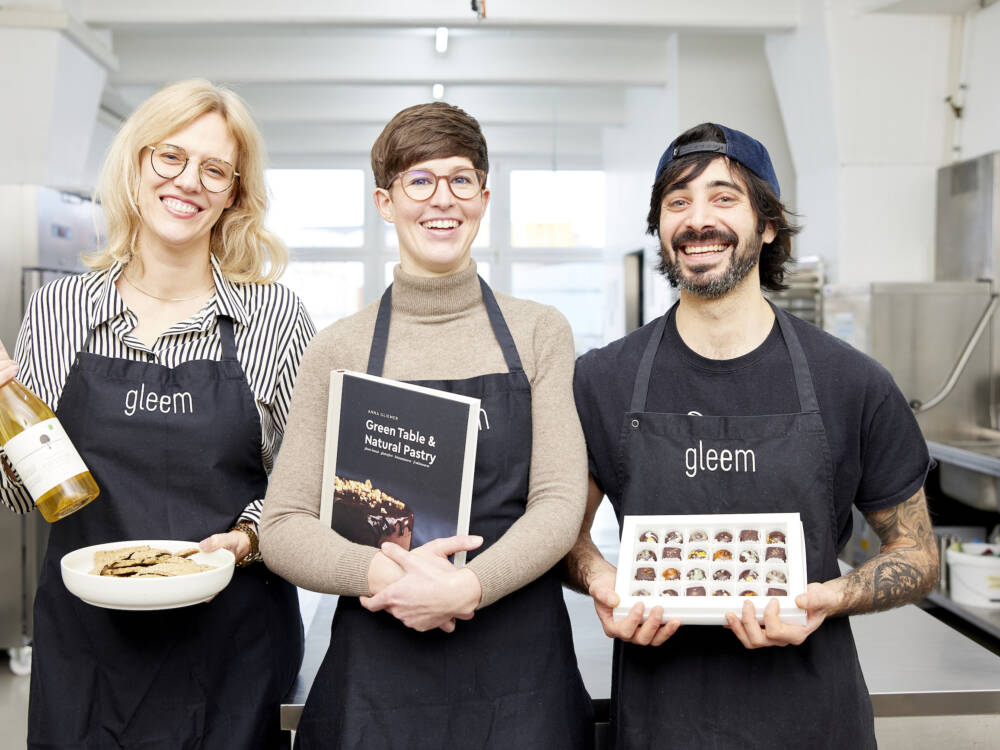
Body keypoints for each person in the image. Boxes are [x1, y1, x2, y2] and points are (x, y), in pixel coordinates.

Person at [565, 123, 939, 749]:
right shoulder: (602, 380)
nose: (697, 219)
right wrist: (605, 581)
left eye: (724, 197)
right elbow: (564, 533)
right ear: (660, 228)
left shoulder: (851, 382)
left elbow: (918, 554)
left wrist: (831, 597)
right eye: (677, 202)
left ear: (768, 224)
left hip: (812, 718)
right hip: (661, 722)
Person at [260, 101, 594, 749]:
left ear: (484, 196)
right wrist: (391, 579)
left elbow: (558, 503)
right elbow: (283, 527)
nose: (443, 199)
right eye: (419, 181)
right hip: (382, 666)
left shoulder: (538, 332)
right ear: (385, 201)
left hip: (519, 665)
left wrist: (466, 587)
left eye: (461, 179)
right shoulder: (340, 347)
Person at [0, 79, 315, 748]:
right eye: (170, 157)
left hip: (233, 646)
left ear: (233, 192)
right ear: (137, 165)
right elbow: (21, 490)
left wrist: (249, 539)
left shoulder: (275, 318)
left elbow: (305, 481)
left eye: (214, 169)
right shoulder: (61, 311)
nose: (188, 182)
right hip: (90, 646)